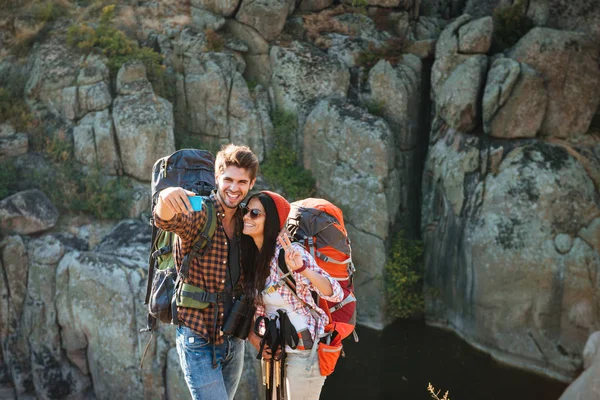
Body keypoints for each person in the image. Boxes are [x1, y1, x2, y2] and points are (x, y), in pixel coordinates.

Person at [153, 144, 258, 400]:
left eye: (242, 182)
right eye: (228, 180)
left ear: (251, 183)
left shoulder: (248, 221)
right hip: (197, 337)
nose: (234, 188)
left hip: (234, 337)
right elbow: (166, 220)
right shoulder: (200, 213)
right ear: (217, 178)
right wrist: (165, 198)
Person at [243, 191, 343, 399]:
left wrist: (303, 269)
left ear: (271, 221)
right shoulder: (254, 259)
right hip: (277, 351)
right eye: (246, 211)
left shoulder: (289, 254)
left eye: (254, 213)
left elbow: (335, 293)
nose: (246, 217)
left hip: (304, 354)